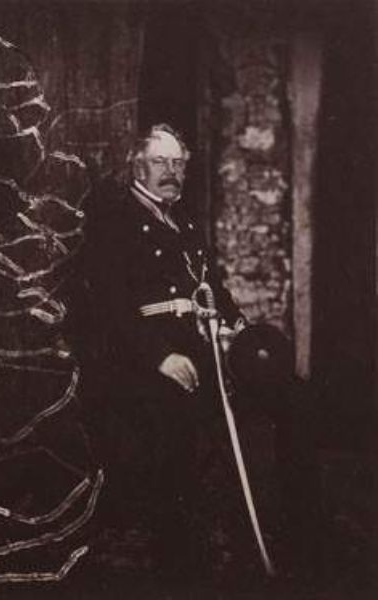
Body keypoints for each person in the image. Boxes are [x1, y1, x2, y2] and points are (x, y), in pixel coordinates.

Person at [75, 123, 321, 596]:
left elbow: (216, 291)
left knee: (293, 396)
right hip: (143, 364)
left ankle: (301, 535)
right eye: (160, 162)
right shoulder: (116, 221)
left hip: (204, 354)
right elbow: (108, 305)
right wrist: (160, 356)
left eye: (178, 163)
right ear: (138, 166)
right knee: (176, 420)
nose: (171, 171)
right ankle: (182, 564)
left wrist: (239, 331)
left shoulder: (185, 223)